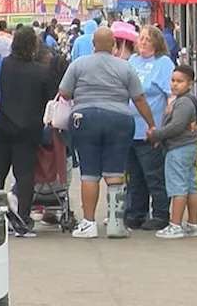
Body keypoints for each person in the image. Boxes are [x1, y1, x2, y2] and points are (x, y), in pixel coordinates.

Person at [58, 27, 158, 239]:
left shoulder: (78, 64)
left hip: (84, 120)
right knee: (115, 173)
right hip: (119, 120)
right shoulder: (125, 66)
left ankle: (88, 223)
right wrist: (151, 124)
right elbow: (138, 98)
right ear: (113, 44)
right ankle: (115, 223)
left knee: (89, 173)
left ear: (93, 44)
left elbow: (64, 92)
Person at [0, 27, 57, 237]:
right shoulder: (40, 71)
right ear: (34, 46)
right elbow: (51, 96)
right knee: (24, 176)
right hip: (28, 130)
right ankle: (23, 221)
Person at [124, 25, 174, 231]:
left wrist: (166, 124)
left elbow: (171, 95)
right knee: (134, 176)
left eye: (148, 39)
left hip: (150, 129)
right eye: (141, 38)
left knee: (153, 175)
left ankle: (161, 214)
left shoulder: (163, 63)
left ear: (156, 42)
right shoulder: (132, 61)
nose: (143, 42)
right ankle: (136, 213)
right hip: (129, 128)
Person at [152, 66, 197, 240]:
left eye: (180, 81)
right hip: (189, 146)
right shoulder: (187, 100)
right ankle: (192, 224)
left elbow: (177, 126)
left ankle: (175, 225)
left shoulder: (183, 103)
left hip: (179, 148)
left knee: (178, 188)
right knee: (191, 186)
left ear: (190, 83)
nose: (175, 85)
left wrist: (157, 134)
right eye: (173, 80)